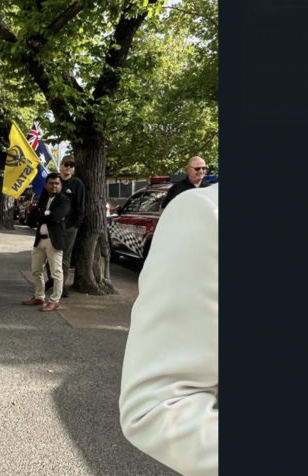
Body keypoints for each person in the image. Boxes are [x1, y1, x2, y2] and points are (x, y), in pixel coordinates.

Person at [119, 184, 218, 476]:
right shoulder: (204, 211)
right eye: (196, 169)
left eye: (204, 169)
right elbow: (156, 407)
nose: (201, 173)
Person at [21, 173, 70, 312]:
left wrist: (43, 214)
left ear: (60, 185)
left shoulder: (64, 200)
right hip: (40, 240)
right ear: (46, 184)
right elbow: (31, 218)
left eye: (56, 183)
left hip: (54, 241)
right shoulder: (42, 198)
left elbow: (56, 217)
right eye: (51, 183)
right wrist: (45, 213)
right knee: (36, 270)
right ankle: (39, 297)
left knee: (56, 273)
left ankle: (54, 301)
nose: (53, 186)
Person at [58, 155, 85, 298]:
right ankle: (53, 279)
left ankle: (61, 285)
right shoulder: (55, 181)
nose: (68, 167)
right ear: (61, 165)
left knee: (65, 257)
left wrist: (77, 224)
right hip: (54, 225)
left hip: (70, 226)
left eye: (71, 165)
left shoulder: (77, 184)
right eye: (66, 164)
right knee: (51, 255)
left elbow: (81, 205)